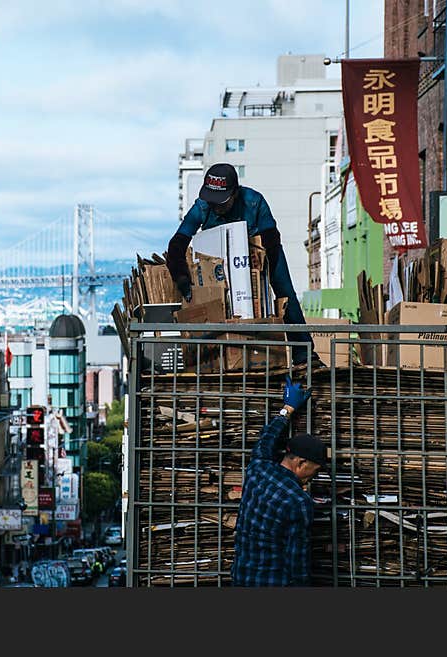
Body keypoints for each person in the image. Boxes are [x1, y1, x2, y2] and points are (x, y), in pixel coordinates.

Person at [166, 162, 321, 368]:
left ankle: (304, 355)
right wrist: (182, 278)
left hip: (260, 251)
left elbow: (272, 239)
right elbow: (177, 244)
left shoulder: (255, 201)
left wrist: (264, 264)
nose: (217, 207)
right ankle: (223, 357)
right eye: (213, 202)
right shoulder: (202, 206)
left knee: (285, 293)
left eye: (222, 203)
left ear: (235, 194)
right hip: (219, 257)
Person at [232, 376, 327, 586]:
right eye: (316, 469)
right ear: (302, 463)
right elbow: (297, 563)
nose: (316, 475)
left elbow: (266, 440)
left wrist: (288, 408)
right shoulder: (298, 502)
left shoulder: (258, 469)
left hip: (243, 577)